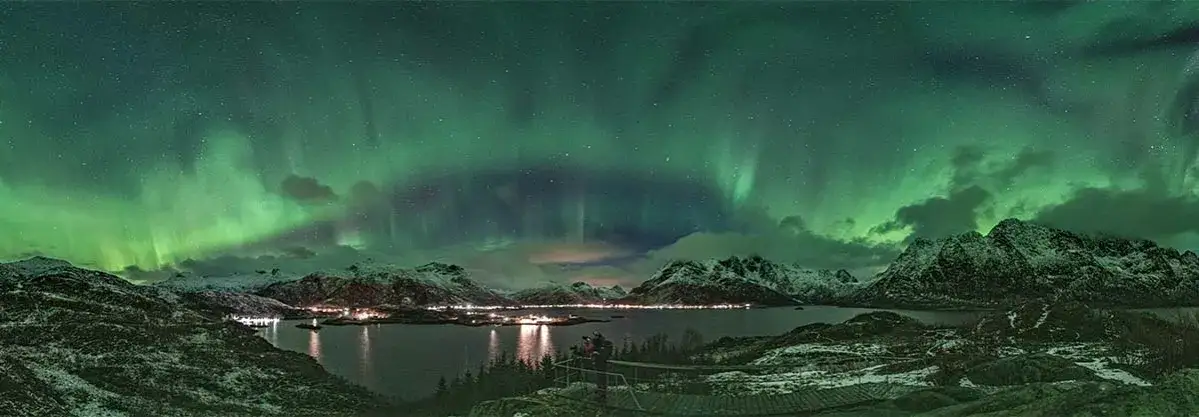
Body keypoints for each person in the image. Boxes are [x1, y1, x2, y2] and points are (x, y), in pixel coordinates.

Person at [590, 331, 614, 403]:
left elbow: (605, 354)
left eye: (596, 335)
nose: (595, 337)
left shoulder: (604, 344)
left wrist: (597, 353)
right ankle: (600, 390)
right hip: (598, 364)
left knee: (602, 378)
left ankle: (603, 393)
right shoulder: (597, 343)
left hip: (602, 364)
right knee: (599, 377)